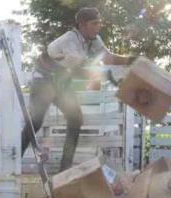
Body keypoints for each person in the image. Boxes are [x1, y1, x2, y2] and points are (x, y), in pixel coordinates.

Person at [25, 7, 131, 171]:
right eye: (94, 23)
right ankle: (11, 161)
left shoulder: (94, 39)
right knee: (35, 123)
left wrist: (133, 60)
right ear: (82, 25)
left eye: (99, 23)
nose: (98, 27)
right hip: (44, 80)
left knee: (76, 119)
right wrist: (103, 76)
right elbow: (77, 72)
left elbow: (109, 58)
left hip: (60, 80)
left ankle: (65, 168)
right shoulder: (70, 41)